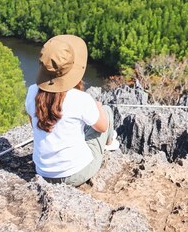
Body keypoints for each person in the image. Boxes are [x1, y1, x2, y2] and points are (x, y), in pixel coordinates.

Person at [25, 34, 118, 186]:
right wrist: (98, 107)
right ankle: (110, 143)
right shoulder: (80, 98)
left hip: (42, 172)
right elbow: (102, 127)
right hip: (76, 173)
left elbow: (33, 123)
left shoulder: (31, 92)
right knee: (106, 111)